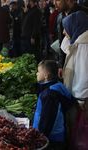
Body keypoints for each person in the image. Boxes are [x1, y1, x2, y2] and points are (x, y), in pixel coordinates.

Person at [61, 11, 88, 149]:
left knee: (80, 132)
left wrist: (81, 100)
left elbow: (84, 76)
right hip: (78, 96)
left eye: (66, 28)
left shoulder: (84, 46)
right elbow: (66, 47)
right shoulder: (79, 41)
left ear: (76, 27)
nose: (64, 32)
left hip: (80, 99)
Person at [33, 60, 75, 150]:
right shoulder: (58, 85)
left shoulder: (49, 95)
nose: (36, 73)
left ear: (46, 75)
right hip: (59, 133)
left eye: (38, 71)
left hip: (51, 138)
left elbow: (47, 119)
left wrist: (40, 137)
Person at [54, 0, 88, 68]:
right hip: (67, 60)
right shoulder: (60, 16)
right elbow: (60, 40)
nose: (54, 3)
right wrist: (61, 64)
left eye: (57, 0)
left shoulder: (84, 13)